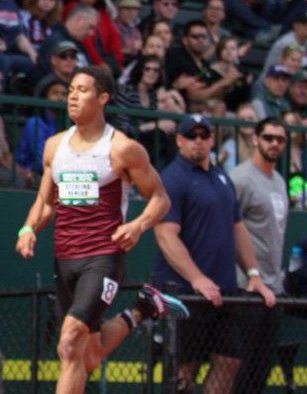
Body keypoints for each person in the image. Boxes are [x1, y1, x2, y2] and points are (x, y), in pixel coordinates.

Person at [15, 66, 185, 394]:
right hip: (65, 258)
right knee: (87, 355)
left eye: (82, 90)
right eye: (70, 91)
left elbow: (160, 199)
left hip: (102, 257)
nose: (73, 97)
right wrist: (27, 228)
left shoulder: (121, 148)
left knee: (68, 343)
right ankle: (142, 310)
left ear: (103, 98)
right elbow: (46, 201)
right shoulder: (54, 146)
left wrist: (137, 225)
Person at [153, 114, 277, 394]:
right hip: (184, 293)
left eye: (204, 136)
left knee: (230, 361)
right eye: (191, 136)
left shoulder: (222, 176)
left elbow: (238, 227)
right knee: (185, 368)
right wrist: (197, 279)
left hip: (224, 291)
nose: (198, 142)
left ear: (212, 139)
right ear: (180, 140)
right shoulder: (172, 178)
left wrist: (254, 275)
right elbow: (165, 235)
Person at [229, 117, 289, 393]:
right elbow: (227, 227)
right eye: (268, 137)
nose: (274, 143)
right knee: (239, 367)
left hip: (273, 287)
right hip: (245, 286)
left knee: (261, 369)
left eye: (280, 139)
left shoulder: (279, 181)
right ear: (255, 139)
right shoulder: (240, 178)